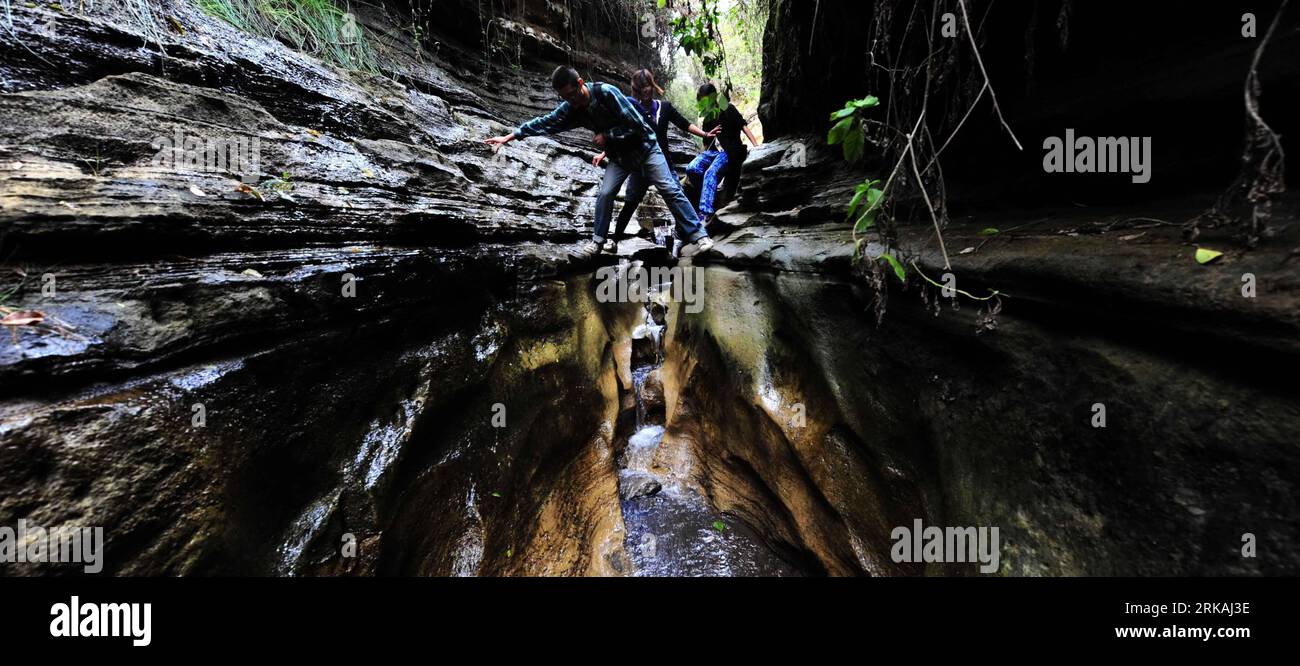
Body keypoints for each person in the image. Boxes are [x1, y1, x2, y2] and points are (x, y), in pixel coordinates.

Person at [484, 65, 714, 259]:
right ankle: (597, 242)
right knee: (605, 194)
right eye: (565, 98)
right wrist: (510, 136)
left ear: (580, 83)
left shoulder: (606, 93)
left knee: (670, 188)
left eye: (572, 95)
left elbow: (637, 126)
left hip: (646, 149)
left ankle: (699, 236)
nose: (571, 102)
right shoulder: (572, 108)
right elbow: (546, 122)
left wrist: (607, 136)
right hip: (621, 158)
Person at [592, 69, 720, 253]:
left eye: (648, 89)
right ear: (635, 90)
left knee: (675, 195)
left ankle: (696, 236)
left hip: (663, 162)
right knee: (630, 203)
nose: (645, 94)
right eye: (641, 91)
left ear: (652, 87)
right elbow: (619, 134)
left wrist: (706, 134)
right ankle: (614, 240)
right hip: (638, 166)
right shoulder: (630, 108)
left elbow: (684, 124)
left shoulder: (664, 108)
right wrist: (604, 154)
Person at [686, 82, 759, 223]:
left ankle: (705, 212)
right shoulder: (708, 117)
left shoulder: (728, 109)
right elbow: (706, 143)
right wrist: (701, 156)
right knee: (692, 168)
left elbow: (744, 127)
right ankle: (707, 195)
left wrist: (757, 147)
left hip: (729, 151)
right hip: (713, 152)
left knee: (710, 173)